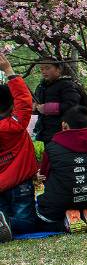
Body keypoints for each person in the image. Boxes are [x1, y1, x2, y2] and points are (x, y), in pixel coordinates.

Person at [38, 106, 87, 233]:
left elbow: (44, 174)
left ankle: (67, 220)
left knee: (42, 217)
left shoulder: (52, 147)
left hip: (60, 202)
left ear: (64, 125)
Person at [0, 53, 39, 240]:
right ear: (10, 106)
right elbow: (24, 102)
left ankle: (3, 223)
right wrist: (8, 70)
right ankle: (6, 224)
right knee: (27, 223)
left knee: (4, 215)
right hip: (19, 183)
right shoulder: (14, 125)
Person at [32, 58, 86, 145]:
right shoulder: (40, 87)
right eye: (41, 69)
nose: (44, 71)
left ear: (58, 69)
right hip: (42, 132)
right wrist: (34, 107)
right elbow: (37, 105)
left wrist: (48, 108)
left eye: (47, 68)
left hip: (61, 132)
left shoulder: (67, 85)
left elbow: (72, 105)